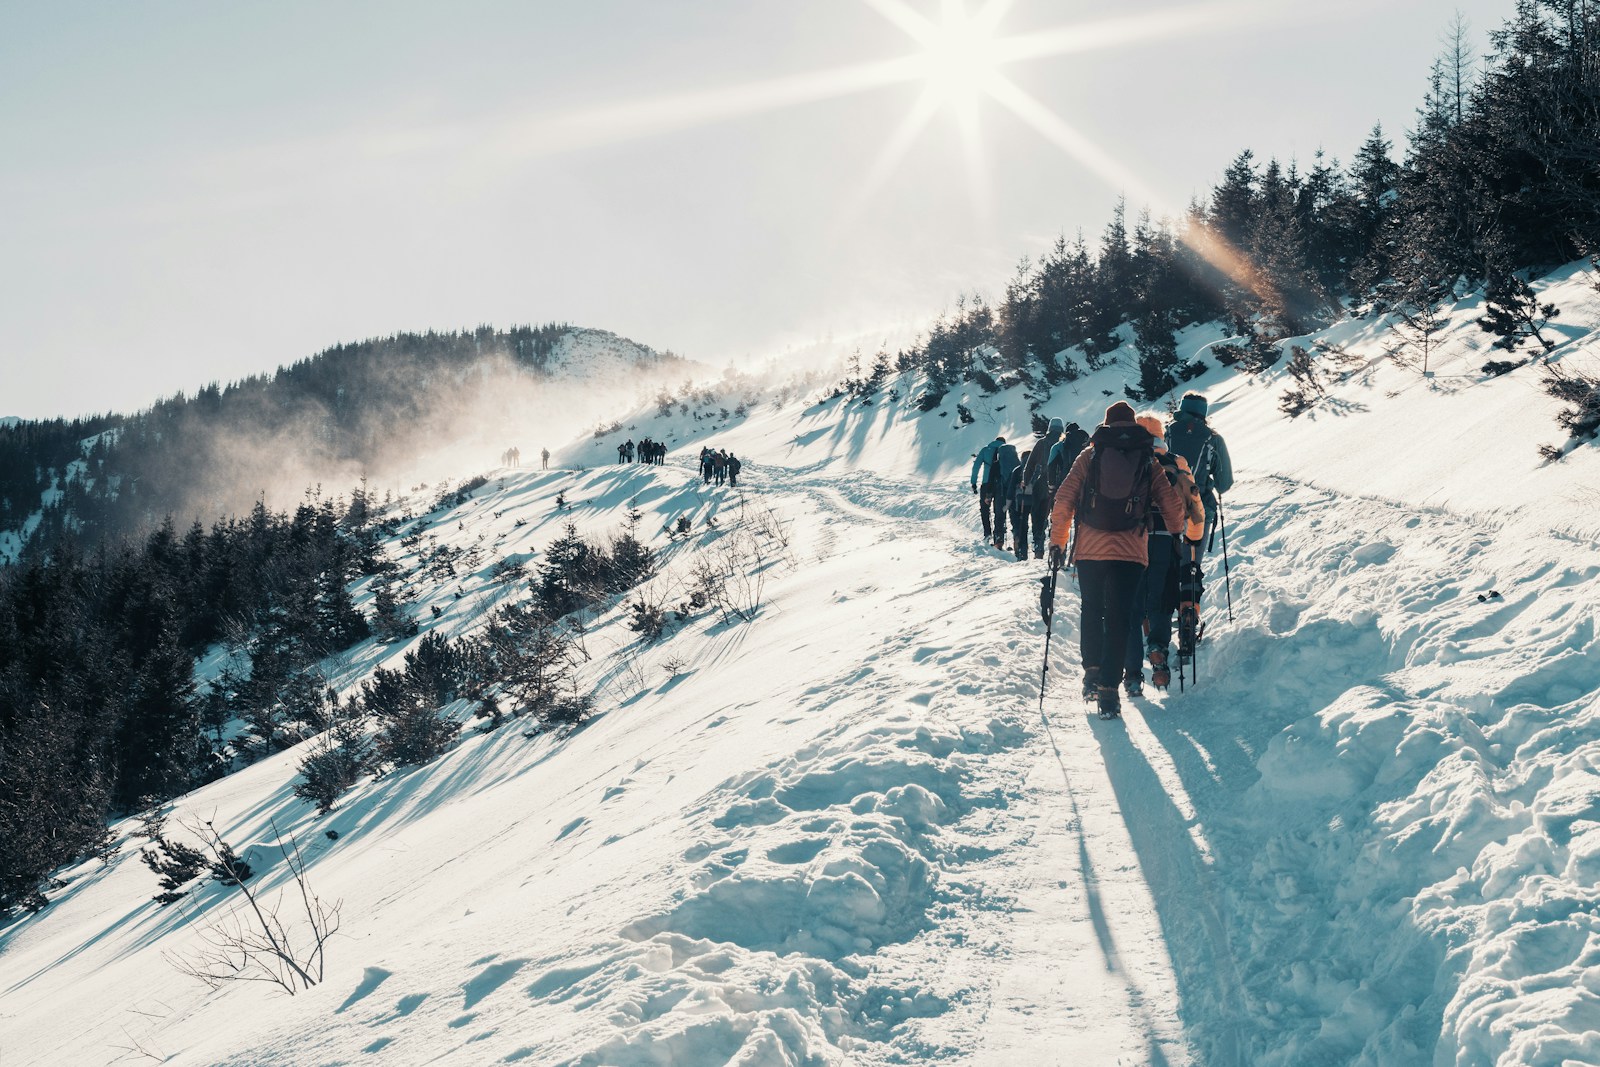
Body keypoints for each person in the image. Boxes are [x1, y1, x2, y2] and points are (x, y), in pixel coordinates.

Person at [1048, 401, 1187, 719]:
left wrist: (1057, 542)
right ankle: (1110, 692)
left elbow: (1065, 498)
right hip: (1131, 551)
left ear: (1106, 424)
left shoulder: (1091, 453)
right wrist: (1176, 534)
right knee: (1120, 618)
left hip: (1090, 549)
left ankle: (1091, 677)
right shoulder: (1146, 457)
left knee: (1093, 610)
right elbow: (1171, 503)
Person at [1123, 414, 1206, 694]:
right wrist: (1192, 539)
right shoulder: (1176, 462)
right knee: (1160, 600)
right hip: (1166, 541)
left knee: (1133, 607)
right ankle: (1158, 647)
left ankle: (1133, 675)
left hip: (1131, 541)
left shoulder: (1126, 459)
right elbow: (1195, 504)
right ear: (1161, 437)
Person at [1165, 392, 1233, 555]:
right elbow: (1224, 484)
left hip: (1166, 508)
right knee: (1191, 569)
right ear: (1204, 413)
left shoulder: (1167, 433)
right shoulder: (1213, 439)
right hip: (1199, 510)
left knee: (1166, 569)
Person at [969, 435, 1008, 543]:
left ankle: (987, 533)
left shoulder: (986, 450)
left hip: (986, 483)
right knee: (999, 509)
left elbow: (976, 466)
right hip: (1002, 484)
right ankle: (999, 535)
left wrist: (973, 482)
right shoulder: (1006, 451)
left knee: (985, 509)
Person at [1004, 449, 1032, 562]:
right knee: (1025, 525)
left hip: (1017, 502)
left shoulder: (1017, 470)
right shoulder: (1034, 468)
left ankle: (1019, 545)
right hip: (1031, 501)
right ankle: (1024, 551)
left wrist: (1008, 503)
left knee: (1018, 525)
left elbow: (1010, 489)